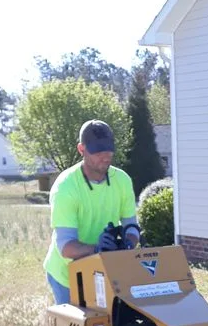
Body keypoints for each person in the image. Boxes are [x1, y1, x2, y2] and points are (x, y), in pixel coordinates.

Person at [44, 120, 139, 304]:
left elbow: (132, 227)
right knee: (77, 322)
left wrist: (127, 244)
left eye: (108, 149)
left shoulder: (122, 180)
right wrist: (96, 249)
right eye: (97, 150)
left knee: (105, 320)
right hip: (67, 275)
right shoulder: (66, 187)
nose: (105, 156)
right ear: (81, 149)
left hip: (104, 269)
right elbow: (65, 247)